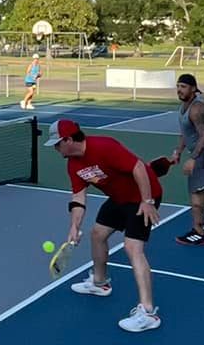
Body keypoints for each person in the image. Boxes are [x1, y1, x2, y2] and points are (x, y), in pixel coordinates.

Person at [49, 118, 164, 332]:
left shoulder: (104, 146)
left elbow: (138, 167)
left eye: (57, 143)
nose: (55, 148)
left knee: (132, 247)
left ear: (69, 139)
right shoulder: (73, 164)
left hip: (143, 195)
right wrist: (74, 226)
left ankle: (148, 313)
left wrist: (147, 201)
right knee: (97, 234)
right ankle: (100, 283)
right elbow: (78, 197)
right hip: (119, 197)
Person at [169, 73, 204, 245]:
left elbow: (203, 136)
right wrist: (178, 151)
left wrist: (193, 158)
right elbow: (186, 133)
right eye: (178, 86)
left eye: (183, 87)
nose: (179, 90)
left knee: (196, 195)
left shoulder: (197, 109)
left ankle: (199, 232)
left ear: (193, 89)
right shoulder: (184, 106)